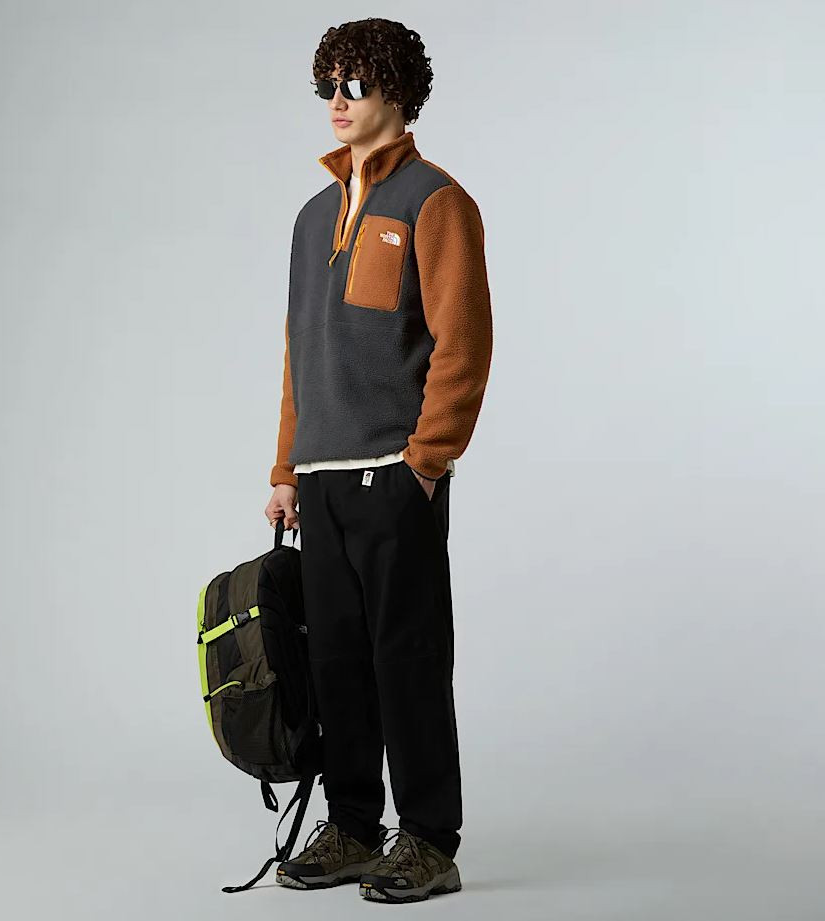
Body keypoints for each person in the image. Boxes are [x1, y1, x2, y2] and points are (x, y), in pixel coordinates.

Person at [263, 17, 493, 903]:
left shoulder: (435, 201)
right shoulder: (311, 217)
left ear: (396, 91)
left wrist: (425, 461)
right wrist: (285, 468)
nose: (336, 101)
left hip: (393, 473)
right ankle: (354, 826)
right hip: (319, 480)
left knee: (408, 660)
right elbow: (299, 353)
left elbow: (461, 343)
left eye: (353, 85)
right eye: (327, 84)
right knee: (335, 665)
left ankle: (428, 838)